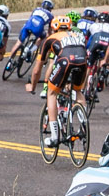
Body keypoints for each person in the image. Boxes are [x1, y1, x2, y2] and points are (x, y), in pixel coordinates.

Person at [30, 14, 90, 146]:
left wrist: (32, 86)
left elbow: (37, 69)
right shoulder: (78, 36)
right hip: (82, 62)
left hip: (65, 61)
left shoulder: (50, 39)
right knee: (77, 91)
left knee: (51, 93)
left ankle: (54, 136)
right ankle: (84, 124)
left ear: (54, 28)